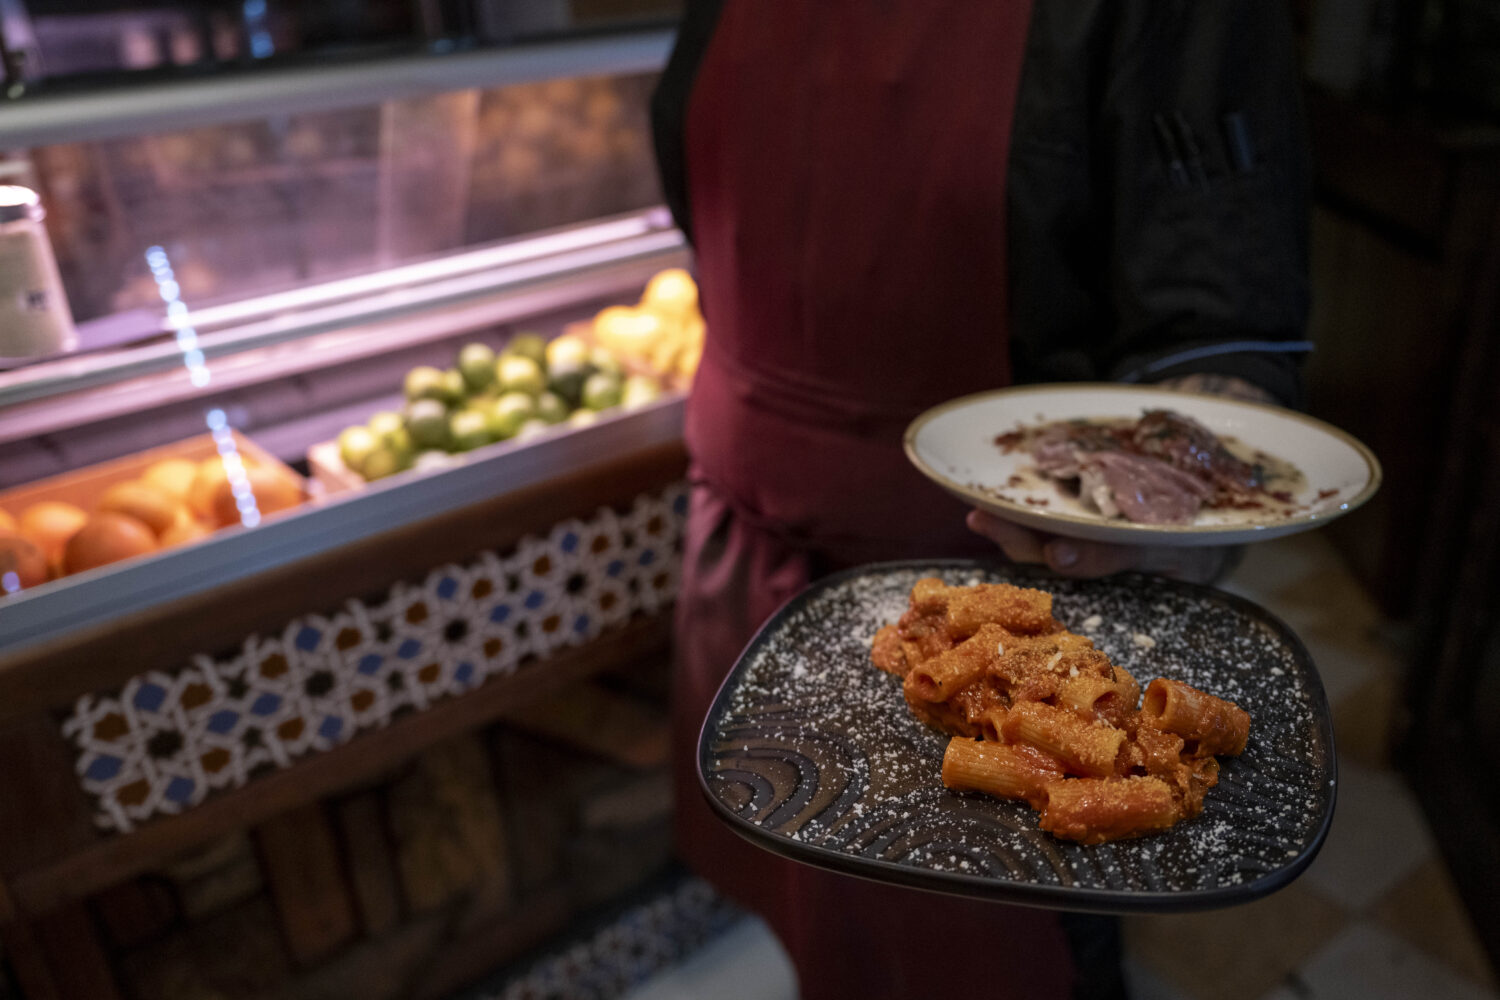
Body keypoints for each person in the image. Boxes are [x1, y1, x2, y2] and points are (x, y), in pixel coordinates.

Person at [650, 3, 1310, 997]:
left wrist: (1191, 515)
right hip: (745, 566)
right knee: (818, 930)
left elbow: (1214, 318)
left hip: (1017, 624)